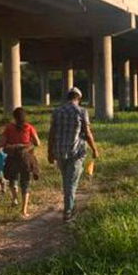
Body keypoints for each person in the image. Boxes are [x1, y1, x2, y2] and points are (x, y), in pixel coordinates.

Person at [48, 87, 99, 222]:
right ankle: (68, 212)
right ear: (78, 98)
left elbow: (51, 133)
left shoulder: (57, 111)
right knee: (71, 182)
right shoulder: (81, 111)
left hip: (59, 152)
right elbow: (87, 133)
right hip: (76, 152)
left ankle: (69, 205)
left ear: (68, 97)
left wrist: (49, 152)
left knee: (67, 181)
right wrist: (94, 149)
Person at [1, 107, 40, 217]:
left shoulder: (9, 127)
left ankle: (14, 198)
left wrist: (12, 144)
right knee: (25, 183)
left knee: (12, 179)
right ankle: (24, 210)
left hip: (13, 157)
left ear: (14, 117)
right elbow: (38, 143)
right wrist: (27, 144)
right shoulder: (29, 127)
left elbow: (3, 143)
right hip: (26, 158)